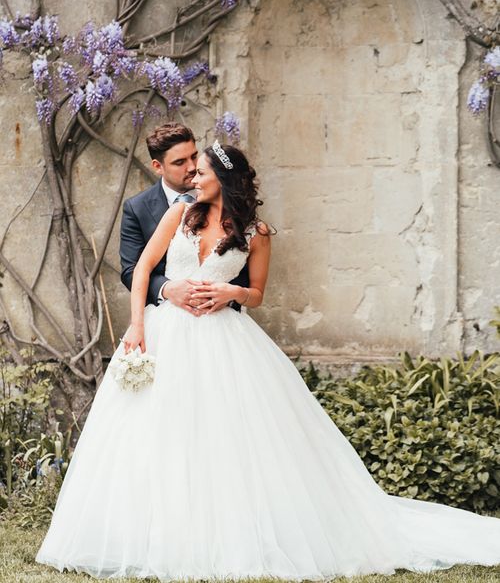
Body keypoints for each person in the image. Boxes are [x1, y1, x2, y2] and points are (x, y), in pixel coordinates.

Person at [36, 142, 500, 580]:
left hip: (221, 340)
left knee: (220, 437)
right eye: (192, 169)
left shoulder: (255, 234)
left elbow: (257, 294)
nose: (193, 176)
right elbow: (141, 269)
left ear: (225, 179)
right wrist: (137, 326)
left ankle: (222, 533)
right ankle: (141, 533)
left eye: (203, 171)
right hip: (163, 333)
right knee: (152, 432)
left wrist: (231, 291)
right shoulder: (180, 214)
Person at [119, 121, 249, 312]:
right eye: (179, 162)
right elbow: (131, 270)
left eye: (194, 156)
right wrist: (167, 289)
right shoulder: (137, 208)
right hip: (166, 316)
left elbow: (244, 260)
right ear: (158, 166)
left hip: (221, 316)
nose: (191, 167)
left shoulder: (228, 199)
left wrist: (228, 296)